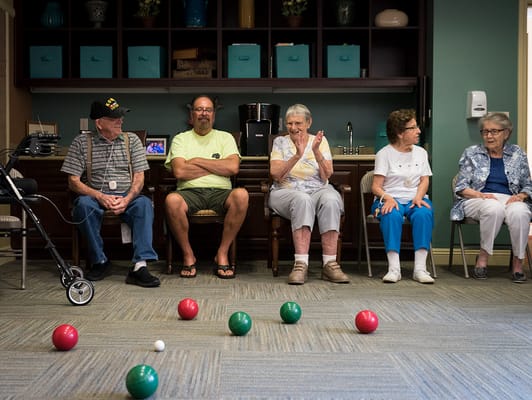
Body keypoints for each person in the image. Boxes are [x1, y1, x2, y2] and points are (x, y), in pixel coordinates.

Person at [61, 97, 160, 288]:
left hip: (128, 195)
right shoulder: (82, 142)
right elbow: (73, 181)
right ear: (99, 123)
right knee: (82, 206)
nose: (120, 121)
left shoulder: (132, 141)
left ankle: (140, 266)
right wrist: (99, 196)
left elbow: (139, 177)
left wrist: (128, 198)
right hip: (95, 195)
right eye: (114, 118)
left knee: (144, 204)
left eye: (121, 117)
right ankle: (100, 261)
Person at [164, 95, 249, 279]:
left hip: (221, 193)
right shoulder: (181, 139)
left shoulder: (225, 138)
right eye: (199, 109)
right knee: (171, 200)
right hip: (188, 193)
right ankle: (188, 254)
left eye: (208, 110)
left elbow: (233, 168)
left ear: (214, 115)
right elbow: (179, 172)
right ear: (192, 114)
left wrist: (197, 161)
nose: (204, 114)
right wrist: (217, 167)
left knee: (242, 195)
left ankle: (222, 253)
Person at [268, 103, 349, 285]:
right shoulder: (280, 142)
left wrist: (316, 151)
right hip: (286, 191)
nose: (293, 128)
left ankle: (330, 264)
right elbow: (276, 174)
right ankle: (300, 264)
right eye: (289, 123)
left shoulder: (320, 141)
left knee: (331, 199)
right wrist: (297, 155)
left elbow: (326, 175)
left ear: (309, 122)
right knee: (302, 199)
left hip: (318, 189)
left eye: (298, 123)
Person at [451, 112, 532, 283]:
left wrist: (522, 195)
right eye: (485, 131)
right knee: (492, 208)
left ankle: (518, 263)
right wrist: (479, 194)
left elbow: (528, 184)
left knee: (520, 212)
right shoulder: (472, 153)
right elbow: (461, 187)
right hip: (475, 199)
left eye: (494, 131)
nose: (489, 136)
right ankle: (483, 259)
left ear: (506, 133)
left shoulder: (518, 153)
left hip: (510, 199)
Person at [371, 108, 434, 284]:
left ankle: (420, 269)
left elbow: (424, 181)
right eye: (413, 128)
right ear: (400, 133)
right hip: (390, 198)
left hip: (415, 198)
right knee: (391, 214)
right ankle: (394, 269)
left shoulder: (421, 152)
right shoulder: (384, 154)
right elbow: (375, 187)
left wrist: (419, 197)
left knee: (424, 213)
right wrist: (389, 198)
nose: (418, 131)